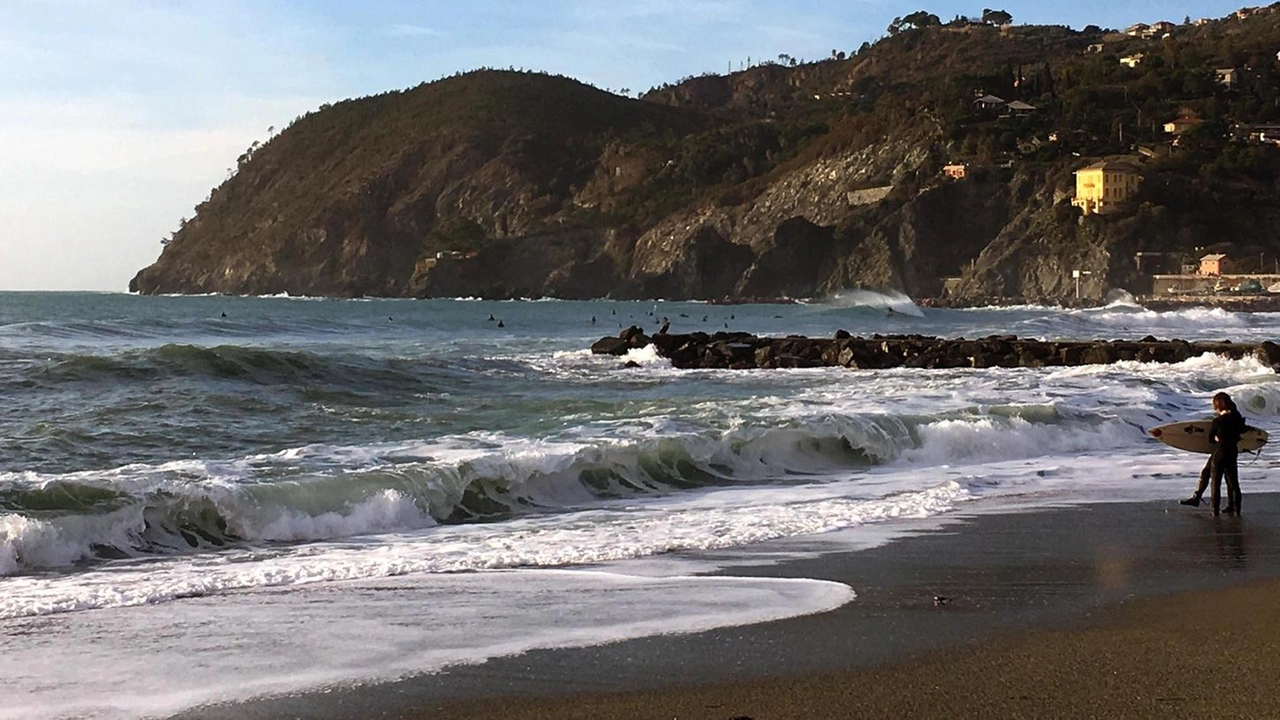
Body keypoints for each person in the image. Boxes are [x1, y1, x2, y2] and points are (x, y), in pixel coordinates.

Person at [1180, 392, 1246, 515]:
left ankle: (1214, 511)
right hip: (1232, 452)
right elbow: (1242, 431)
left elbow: (1210, 439)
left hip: (1219, 453)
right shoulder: (1237, 417)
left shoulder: (1218, 421)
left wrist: (1216, 438)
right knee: (1233, 482)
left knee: (1216, 482)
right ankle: (1236, 510)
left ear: (1218, 405)